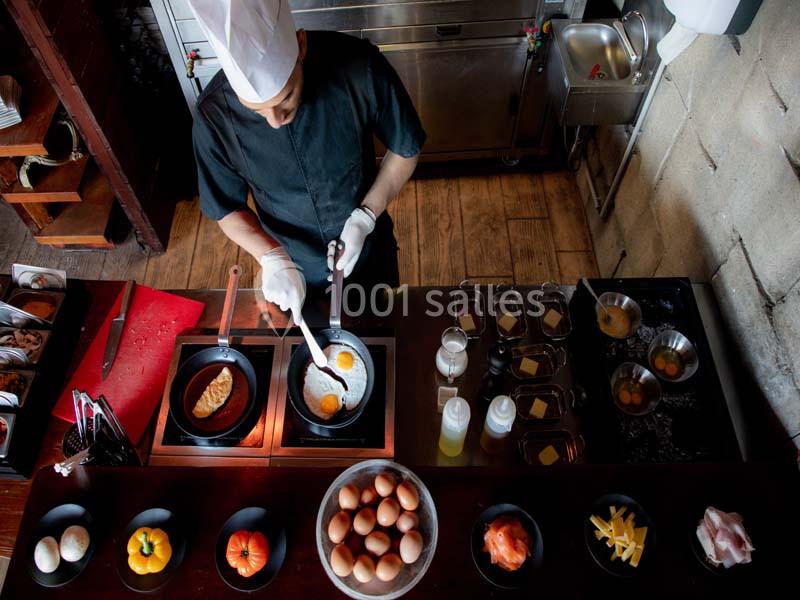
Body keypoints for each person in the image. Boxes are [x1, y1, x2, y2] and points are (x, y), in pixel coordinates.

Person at [188, 0, 425, 325]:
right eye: (257, 112)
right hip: (290, 266)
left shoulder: (359, 65)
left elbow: (405, 147)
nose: (275, 121)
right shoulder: (213, 115)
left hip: (366, 246)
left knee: (381, 325)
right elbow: (225, 208)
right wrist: (271, 256)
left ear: (300, 45)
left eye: (285, 97)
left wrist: (366, 216)